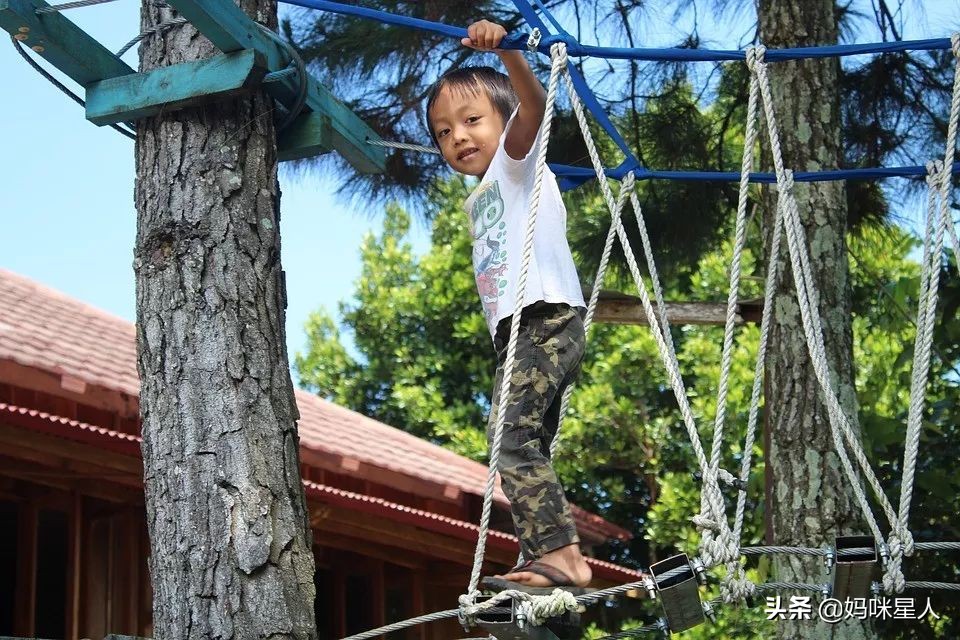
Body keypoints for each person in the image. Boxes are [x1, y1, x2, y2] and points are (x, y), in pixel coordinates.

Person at [425, 19, 592, 591]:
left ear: (503, 124)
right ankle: (545, 559)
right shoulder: (485, 193)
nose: (458, 138)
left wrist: (512, 56)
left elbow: (536, 108)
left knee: (510, 438)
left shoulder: (515, 167)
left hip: (544, 316)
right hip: (520, 330)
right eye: (444, 132)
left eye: (472, 121)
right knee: (522, 440)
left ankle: (562, 556)